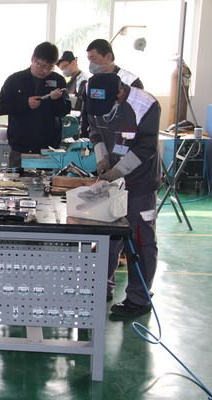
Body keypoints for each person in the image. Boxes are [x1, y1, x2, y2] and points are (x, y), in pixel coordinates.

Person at [85, 73, 161, 318]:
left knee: (140, 240)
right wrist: (102, 160)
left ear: (119, 92)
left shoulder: (145, 105)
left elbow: (146, 147)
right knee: (106, 236)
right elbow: (95, 133)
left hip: (140, 183)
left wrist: (117, 171)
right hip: (112, 181)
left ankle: (139, 299)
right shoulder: (93, 98)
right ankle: (100, 288)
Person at [0, 42, 71, 168]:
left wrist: (57, 99)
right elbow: (0, 107)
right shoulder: (15, 80)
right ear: (33, 59)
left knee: (49, 181)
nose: (45, 71)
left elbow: (64, 110)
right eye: (42, 65)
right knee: (17, 180)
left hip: (49, 150)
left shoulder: (58, 80)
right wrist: (25, 103)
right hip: (20, 149)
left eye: (50, 67)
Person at [80, 39, 144, 136]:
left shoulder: (131, 81)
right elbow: (86, 115)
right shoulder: (90, 83)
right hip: (97, 138)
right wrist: (84, 136)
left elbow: (139, 113)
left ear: (108, 57)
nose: (90, 63)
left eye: (93, 59)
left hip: (123, 137)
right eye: (89, 59)